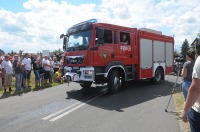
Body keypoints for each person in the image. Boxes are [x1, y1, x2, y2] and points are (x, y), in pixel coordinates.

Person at [182, 46, 200, 132]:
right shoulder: (194, 62)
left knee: (187, 99)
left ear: (187, 56)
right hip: (192, 83)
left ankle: (186, 110)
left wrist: (185, 110)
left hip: (188, 84)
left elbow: (184, 75)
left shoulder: (187, 63)